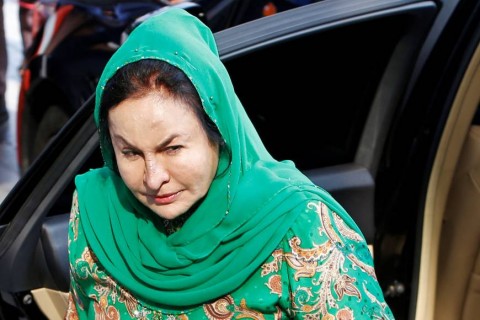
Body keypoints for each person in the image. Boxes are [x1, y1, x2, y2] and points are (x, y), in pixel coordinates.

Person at [65, 7, 395, 319]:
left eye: (173, 148)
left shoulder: (297, 224)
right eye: (131, 153)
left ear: (218, 131)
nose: (153, 178)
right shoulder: (97, 211)